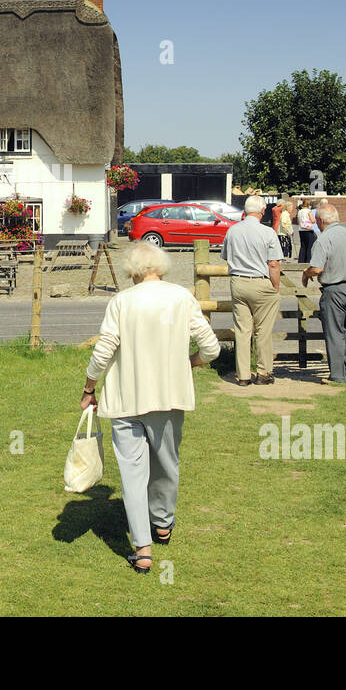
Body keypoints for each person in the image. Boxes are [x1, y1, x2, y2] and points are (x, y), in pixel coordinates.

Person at [82, 241, 221, 574]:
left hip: (126, 399)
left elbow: (104, 351)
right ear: (162, 266)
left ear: (132, 270)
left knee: (132, 473)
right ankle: (163, 521)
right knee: (167, 462)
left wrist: (89, 387)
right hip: (168, 396)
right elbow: (211, 348)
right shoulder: (181, 297)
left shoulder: (121, 301)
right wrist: (192, 362)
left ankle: (142, 548)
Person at [220, 195, 282, 387]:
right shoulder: (268, 232)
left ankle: (243, 375)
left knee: (242, 330)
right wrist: (275, 287)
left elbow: (225, 256)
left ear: (245, 211)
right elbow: (273, 263)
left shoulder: (232, 231)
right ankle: (263, 373)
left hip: (238, 282)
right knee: (262, 331)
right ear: (262, 211)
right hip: (261, 282)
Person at [301, 203, 346, 386]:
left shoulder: (323, 239)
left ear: (319, 220)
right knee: (343, 329)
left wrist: (306, 273)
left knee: (334, 332)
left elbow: (317, 268)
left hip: (335, 290)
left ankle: (337, 375)